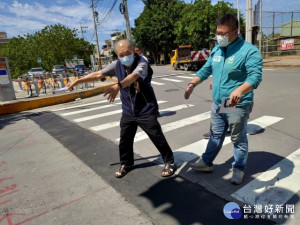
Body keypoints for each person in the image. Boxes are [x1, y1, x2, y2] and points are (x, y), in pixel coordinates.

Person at [67, 39, 176, 178]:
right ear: (117, 55)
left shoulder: (142, 62)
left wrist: (118, 86)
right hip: (128, 110)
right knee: (125, 139)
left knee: (156, 136)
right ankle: (126, 163)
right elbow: (98, 74)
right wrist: (78, 81)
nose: (125, 57)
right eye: (121, 55)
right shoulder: (117, 64)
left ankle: (170, 161)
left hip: (145, 108)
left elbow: (133, 77)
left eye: (128, 53)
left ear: (133, 51)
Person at [184, 14, 262, 185]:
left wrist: (240, 90)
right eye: (217, 32)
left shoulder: (248, 51)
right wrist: (192, 84)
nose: (219, 36)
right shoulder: (217, 48)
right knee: (215, 134)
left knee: (238, 138)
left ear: (236, 31)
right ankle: (206, 162)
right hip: (220, 102)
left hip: (237, 103)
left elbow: (255, 76)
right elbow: (206, 69)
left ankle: (239, 168)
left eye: (223, 33)